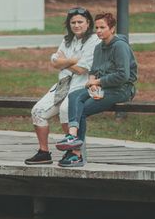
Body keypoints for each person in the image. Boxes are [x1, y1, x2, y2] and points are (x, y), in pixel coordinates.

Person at [54, 12, 137, 167]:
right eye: (97, 27)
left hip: (121, 90)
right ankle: (72, 135)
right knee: (74, 95)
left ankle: (76, 155)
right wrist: (92, 81)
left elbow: (123, 76)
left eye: (103, 27)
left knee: (83, 109)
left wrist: (97, 81)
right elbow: (93, 70)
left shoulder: (120, 46)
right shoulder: (99, 47)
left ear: (112, 29)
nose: (98, 31)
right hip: (102, 87)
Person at [23, 7, 100, 165]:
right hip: (63, 84)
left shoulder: (94, 41)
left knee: (66, 110)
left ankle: (74, 153)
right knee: (37, 111)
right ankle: (44, 152)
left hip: (81, 86)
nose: (76, 25)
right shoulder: (67, 40)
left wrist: (64, 62)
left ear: (88, 23)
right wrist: (72, 60)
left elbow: (81, 69)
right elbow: (54, 61)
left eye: (80, 22)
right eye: (73, 22)